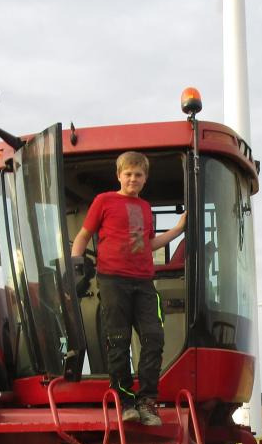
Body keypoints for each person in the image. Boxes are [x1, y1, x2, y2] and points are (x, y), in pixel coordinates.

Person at [71, 151, 185, 426]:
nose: (133, 178)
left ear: (145, 179)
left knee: (154, 336)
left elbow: (149, 244)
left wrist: (180, 228)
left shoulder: (145, 209)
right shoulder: (104, 201)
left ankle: (147, 400)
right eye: (128, 174)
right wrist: (76, 266)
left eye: (139, 174)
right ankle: (125, 401)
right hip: (112, 280)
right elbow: (84, 235)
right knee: (119, 341)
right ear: (119, 176)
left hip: (144, 281)